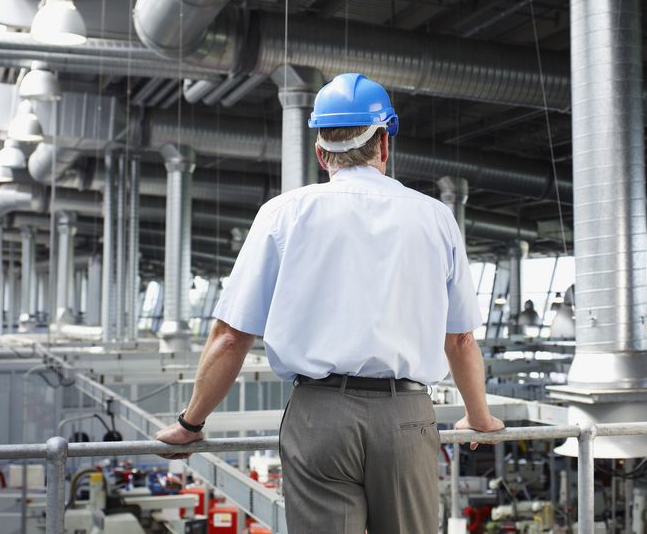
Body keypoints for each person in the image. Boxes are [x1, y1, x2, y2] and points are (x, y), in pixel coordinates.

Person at [155, 72, 504, 533]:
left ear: (321, 153)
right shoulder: (435, 218)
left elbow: (230, 336)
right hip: (406, 417)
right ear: (384, 144)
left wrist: (190, 423)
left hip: (320, 418)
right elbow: (459, 339)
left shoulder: (283, 214)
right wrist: (478, 418)